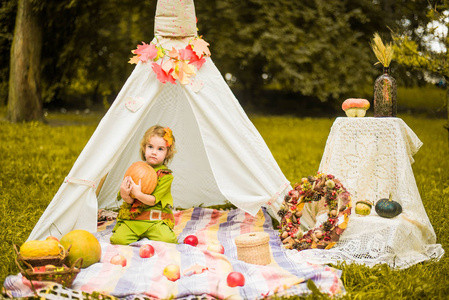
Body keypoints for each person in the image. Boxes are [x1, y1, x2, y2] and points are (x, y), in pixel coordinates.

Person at [110, 125, 178, 245]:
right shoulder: (136, 169)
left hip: (154, 219)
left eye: (160, 149)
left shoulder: (166, 176)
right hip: (135, 218)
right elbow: (131, 201)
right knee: (117, 240)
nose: (154, 152)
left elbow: (153, 201)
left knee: (169, 240)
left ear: (167, 153)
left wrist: (138, 194)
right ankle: (133, 231)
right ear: (144, 148)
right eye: (150, 147)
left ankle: (151, 233)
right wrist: (126, 195)